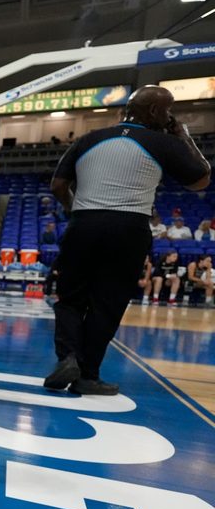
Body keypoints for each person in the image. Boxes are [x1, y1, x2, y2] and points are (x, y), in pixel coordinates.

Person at [45, 85, 211, 395]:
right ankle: (88, 375)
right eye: (167, 111)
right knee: (107, 303)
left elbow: (58, 185)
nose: (170, 116)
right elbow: (201, 178)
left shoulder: (87, 139)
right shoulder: (162, 142)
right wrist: (183, 135)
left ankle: (67, 356)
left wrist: (76, 211)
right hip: (129, 226)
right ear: (153, 112)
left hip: (83, 222)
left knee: (70, 298)